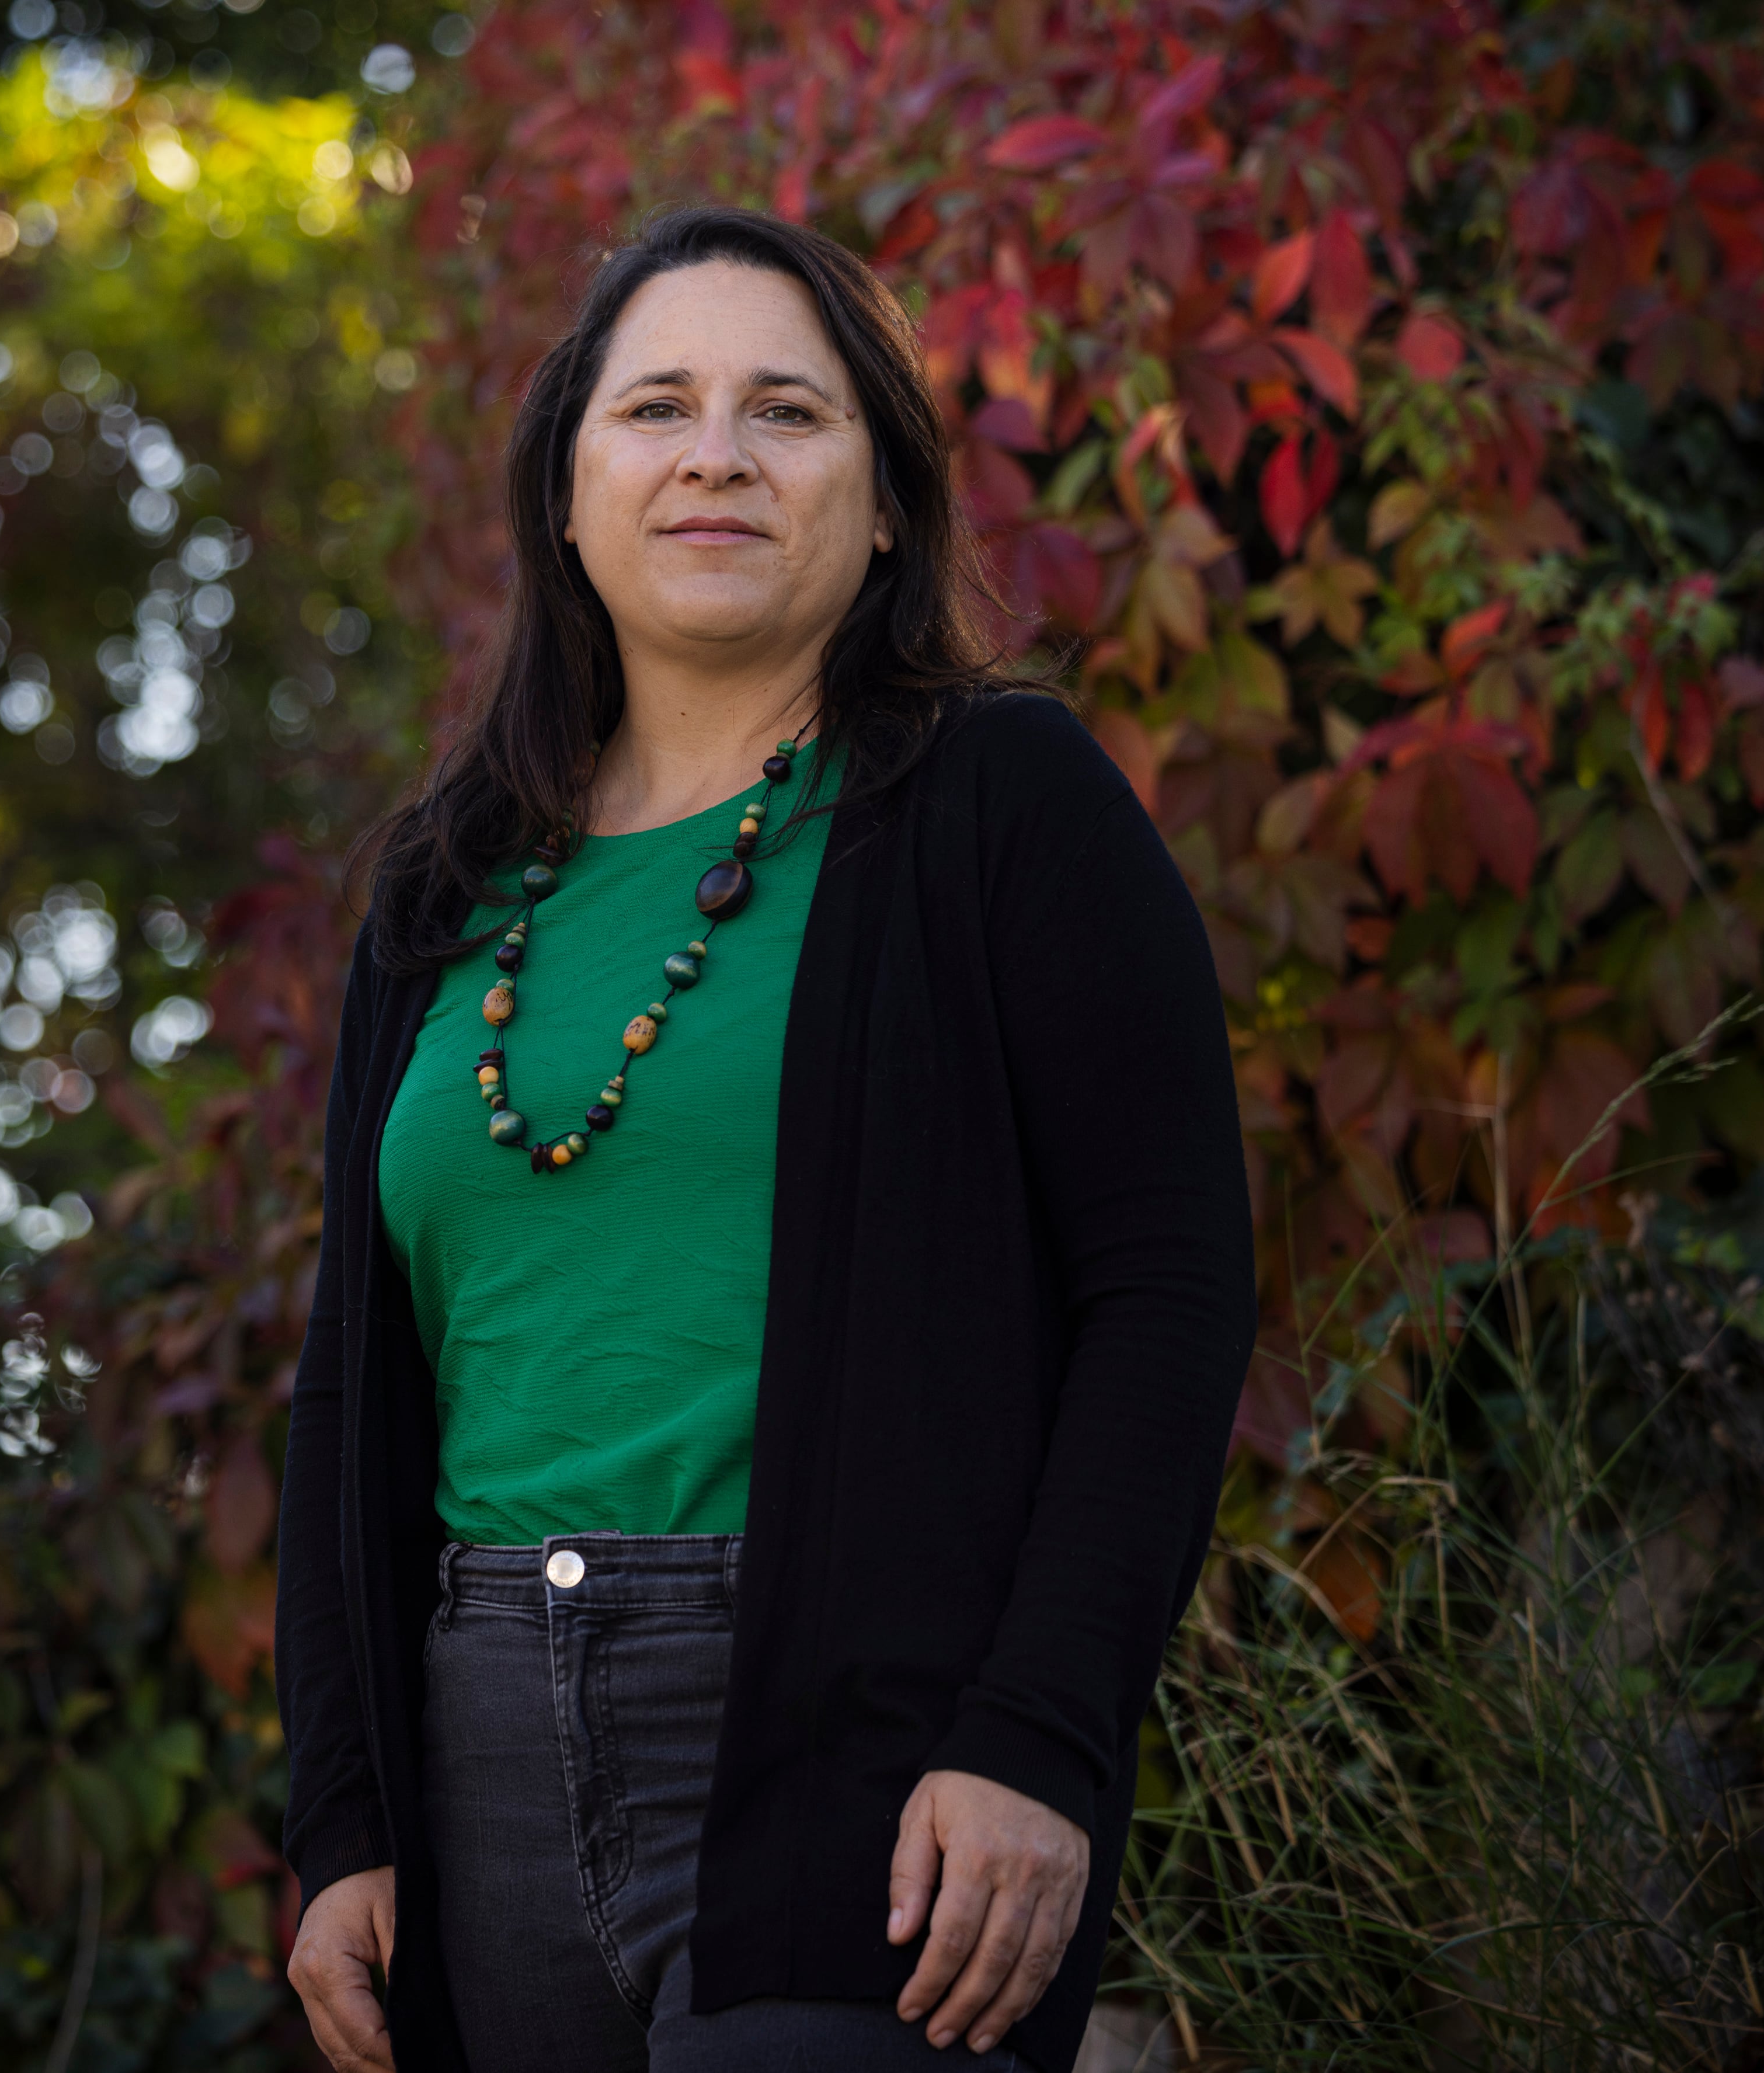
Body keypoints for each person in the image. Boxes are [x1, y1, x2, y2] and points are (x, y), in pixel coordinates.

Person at [276, 204, 1253, 2073]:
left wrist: (1040, 1737)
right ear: (568, 496)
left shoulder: (1002, 804)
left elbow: (1170, 1289)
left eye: (787, 413)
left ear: (885, 504)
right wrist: (343, 1820)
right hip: (471, 1746)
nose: (715, 451)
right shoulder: (441, 888)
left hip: (861, 1739)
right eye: (656, 406)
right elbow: (349, 1382)